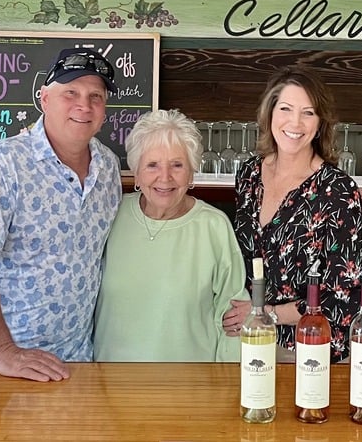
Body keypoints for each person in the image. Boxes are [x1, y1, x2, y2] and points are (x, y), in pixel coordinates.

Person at [0, 47, 122, 382]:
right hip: (1, 367)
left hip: (77, 362)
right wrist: (5, 353)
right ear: (43, 98)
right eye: (70, 92)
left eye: (95, 96)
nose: (84, 106)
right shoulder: (4, 163)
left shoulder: (109, 166)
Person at [221, 66, 362, 363]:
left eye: (308, 113)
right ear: (270, 114)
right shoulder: (249, 175)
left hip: (306, 348)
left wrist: (267, 314)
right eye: (286, 109)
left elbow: (343, 295)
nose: (295, 122)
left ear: (320, 123)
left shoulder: (338, 191)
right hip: (247, 341)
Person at [93, 109, 248, 362]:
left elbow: (234, 322)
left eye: (177, 165)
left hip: (191, 388)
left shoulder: (213, 226)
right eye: (152, 165)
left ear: (191, 173)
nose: (164, 178)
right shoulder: (111, 214)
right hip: (110, 384)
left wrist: (227, 385)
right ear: (137, 173)